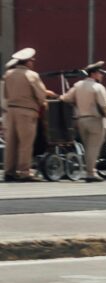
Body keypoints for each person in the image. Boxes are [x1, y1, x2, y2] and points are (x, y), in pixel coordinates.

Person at [3, 47, 50, 182]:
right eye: (31, 60)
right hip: (26, 111)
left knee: (11, 143)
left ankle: (9, 171)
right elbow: (40, 95)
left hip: (11, 111)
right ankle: (24, 172)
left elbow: (6, 94)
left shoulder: (8, 74)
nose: (33, 62)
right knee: (26, 143)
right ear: (27, 62)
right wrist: (43, 104)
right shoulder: (32, 75)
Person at [69, 62, 106, 181]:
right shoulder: (98, 87)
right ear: (93, 74)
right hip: (95, 120)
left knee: (87, 146)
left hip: (81, 120)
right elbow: (104, 105)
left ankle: (89, 170)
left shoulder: (78, 85)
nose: (101, 75)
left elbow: (67, 98)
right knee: (93, 148)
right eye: (100, 73)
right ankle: (91, 173)